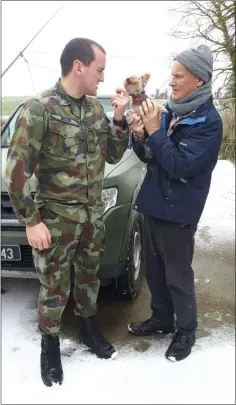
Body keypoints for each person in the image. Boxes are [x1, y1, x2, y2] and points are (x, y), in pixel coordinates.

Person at [5, 37, 130, 386]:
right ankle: (49, 346)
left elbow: (114, 154)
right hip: (56, 221)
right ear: (79, 66)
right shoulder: (39, 109)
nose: (103, 78)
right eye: (99, 69)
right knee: (54, 286)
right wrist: (31, 221)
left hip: (91, 217)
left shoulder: (93, 110)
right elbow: (15, 172)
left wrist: (119, 119)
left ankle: (89, 328)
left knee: (90, 279)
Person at [128, 45, 223, 361]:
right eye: (172, 74)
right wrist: (141, 137)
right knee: (154, 272)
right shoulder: (172, 110)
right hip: (155, 203)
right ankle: (161, 318)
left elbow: (181, 166)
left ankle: (186, 331)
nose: (171, 81)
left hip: (179, 211)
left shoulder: (209, 122)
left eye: (179, 76)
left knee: (177, 276)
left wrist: (155, 133)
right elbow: (150, 158)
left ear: (199, 80)